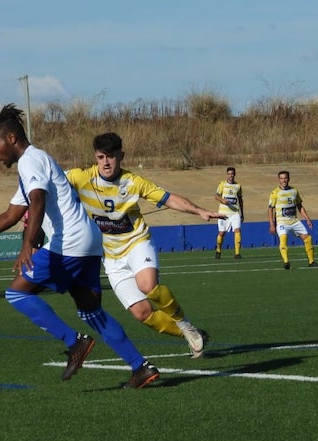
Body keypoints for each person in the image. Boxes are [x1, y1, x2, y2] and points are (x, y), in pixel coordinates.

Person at [0, 104, 159, 388]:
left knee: (16, 293)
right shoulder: (34, 164)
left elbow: (37, 201)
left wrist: (28, 245)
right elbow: (11, 214)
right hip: (89, 241)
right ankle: (141, 367)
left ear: (11, 139)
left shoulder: (29, 161)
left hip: (68, 242)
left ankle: (74, 342)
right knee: (90, 311)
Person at [66, 132, 220, 358]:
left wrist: (199, 211)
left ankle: (185, 324)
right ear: (95, 157)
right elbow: (48, 180)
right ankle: (193, 334)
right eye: (100, 157)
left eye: (111, 156)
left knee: (148, 285)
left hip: (137, 242)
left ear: (121, 155)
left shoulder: (134, 182)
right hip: (110, 257)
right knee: (142, 313)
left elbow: (168, 198)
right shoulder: (81, 177)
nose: (106, 162)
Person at [268, 170, 318, 269]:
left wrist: (307, 219)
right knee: (283, 240)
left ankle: (311, 261)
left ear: (289, 179)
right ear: (279, 180)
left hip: (294, 221)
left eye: (285, 178)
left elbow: (299, 206)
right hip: (282, 222)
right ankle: (286, 262)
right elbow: (270, 209)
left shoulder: (294, 191)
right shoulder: (275, 193)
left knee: (308, 238)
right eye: (281, 178)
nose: (284, 180)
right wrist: (271, 224)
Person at [214, 167, 244, 259]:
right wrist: (222, 200)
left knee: (237, 231)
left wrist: (242, 212)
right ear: (227, 175)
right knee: (221, 233)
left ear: (234, 174)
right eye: (229, 174)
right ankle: (218, 250)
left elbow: (240, 199)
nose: (231, 175)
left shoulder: (238, 186)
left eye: (232, 174)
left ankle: (237, 253)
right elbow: (216, 196)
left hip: (235, 212)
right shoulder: (222, 184)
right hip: (224, 213)